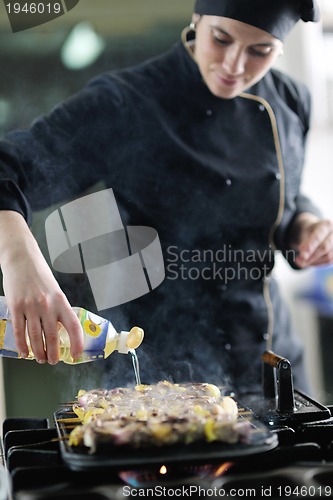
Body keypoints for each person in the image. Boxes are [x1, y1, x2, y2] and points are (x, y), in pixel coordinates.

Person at [0, 0, 332, 394]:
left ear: (280, 47)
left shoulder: (291, 101)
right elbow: (9, 169)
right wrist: (19, 260)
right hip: (159, 372)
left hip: (272, 364)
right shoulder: (126, 102)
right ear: (197, 20)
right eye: (221, 39)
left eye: (259, 51)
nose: (234, 65)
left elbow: (282, 202)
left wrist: (305, 226)